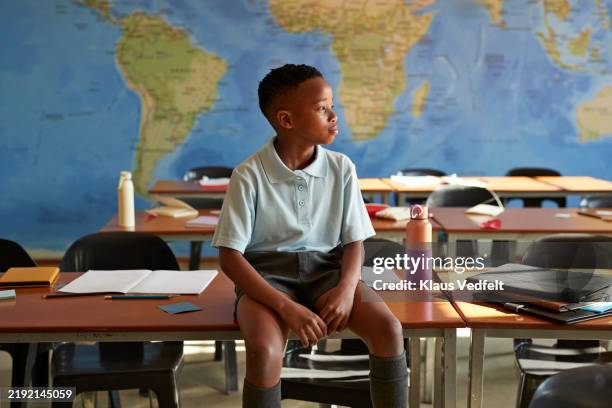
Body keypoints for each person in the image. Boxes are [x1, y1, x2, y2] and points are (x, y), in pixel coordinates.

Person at [211, 64, 407, 407]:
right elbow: (230, 257)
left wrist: (347, 290)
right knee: (264, 350)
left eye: (332, 105)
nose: (333, 115)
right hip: (266, 278)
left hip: (328, 272)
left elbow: (354, 241)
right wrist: (286, 307)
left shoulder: (341, 167)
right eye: (321, 108)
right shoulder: (248, 175)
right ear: (286, 121)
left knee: (389, 330)